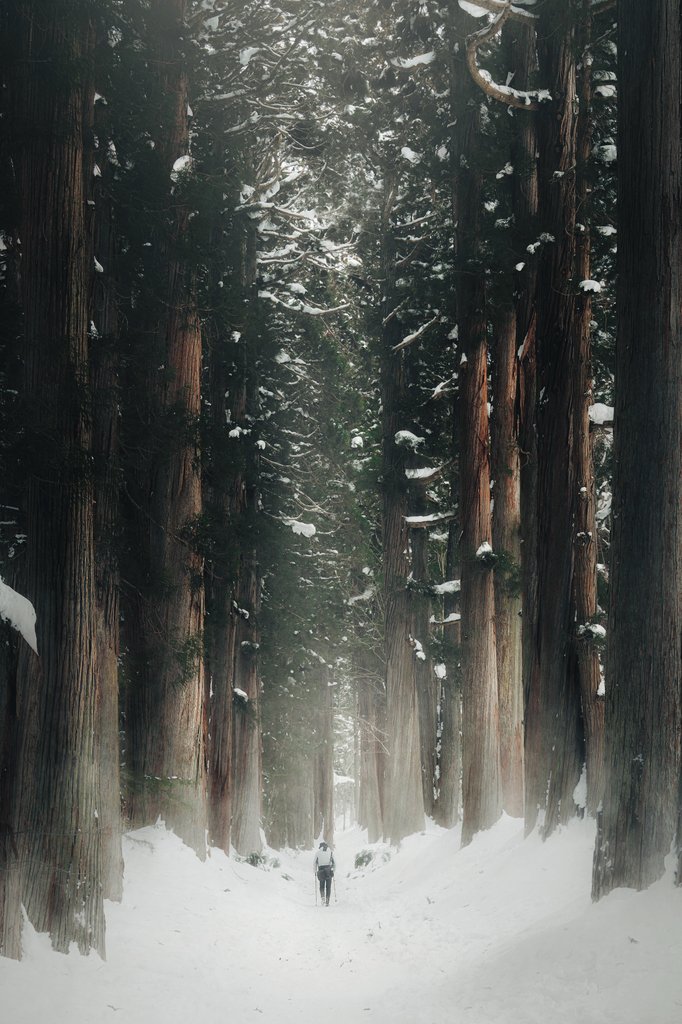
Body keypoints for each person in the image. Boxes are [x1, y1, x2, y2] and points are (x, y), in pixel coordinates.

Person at [314, 840, 335, 906]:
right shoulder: (330, 852)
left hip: (321, 870)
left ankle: (322, 897)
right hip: (328, 870)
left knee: (321, 886)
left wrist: (315, 871)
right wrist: (333, 871)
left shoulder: (317, 853)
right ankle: (327, 901)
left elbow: (314, 863)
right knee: (328, 887)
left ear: (320, 847)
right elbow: (335, 863)